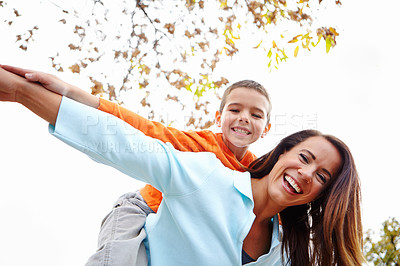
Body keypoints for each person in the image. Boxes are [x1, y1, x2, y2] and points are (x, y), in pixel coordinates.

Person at [0, 66, 366, 265]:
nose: (305, 174)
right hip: (142, 209)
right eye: (304, 158)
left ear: (266, 130)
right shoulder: (202, 163)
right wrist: (43, 93)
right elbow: (129, 135)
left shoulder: (284, 243)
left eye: (321, 177)